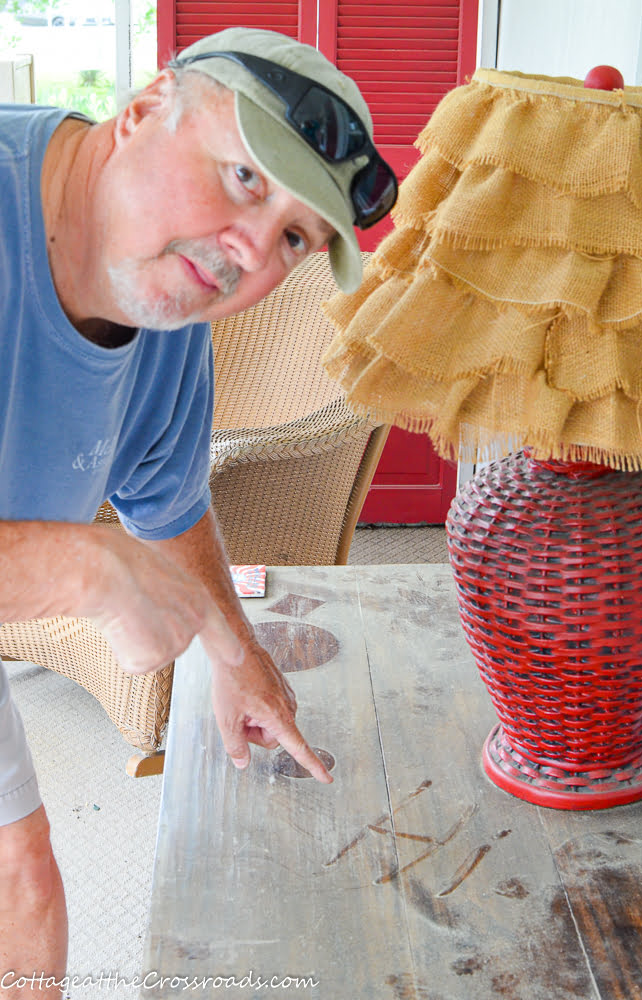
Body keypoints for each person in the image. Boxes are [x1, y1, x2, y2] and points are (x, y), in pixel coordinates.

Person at [0, 26, 397, 996]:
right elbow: (108, 558)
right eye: (245, 180)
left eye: (292, 237)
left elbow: (167, 503)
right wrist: (87, 570)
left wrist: (238, 655)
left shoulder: (166, 316)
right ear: (140, 110)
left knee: (23, 884)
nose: (247, 258)